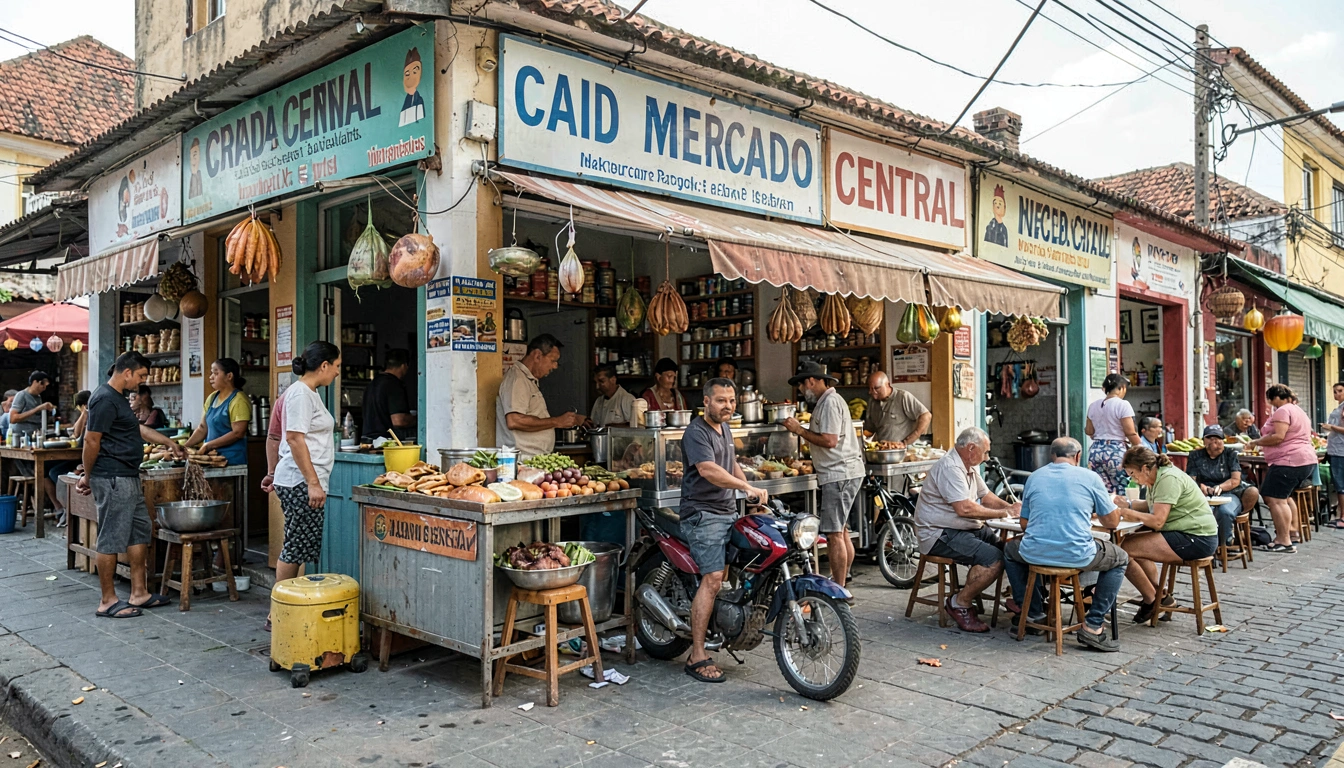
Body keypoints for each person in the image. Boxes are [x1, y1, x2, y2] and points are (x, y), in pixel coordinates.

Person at [78, 352, 185, 618]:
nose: (141, 382)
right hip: (112, 477)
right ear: (127, 373)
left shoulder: (118, 399)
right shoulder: (103, 398)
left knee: (139, 531)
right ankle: (107, 600)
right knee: (111, 536)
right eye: (140, 376)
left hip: (128, 476)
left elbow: (136, 429)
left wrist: (168, 442)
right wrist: (88, 476)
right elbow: (91, 441)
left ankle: (139, 592)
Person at [678, 377, 769, 683]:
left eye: (731, 400)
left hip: (728, 510)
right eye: (721, 400)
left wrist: (750, 491)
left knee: (734, 573)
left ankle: (725, 627)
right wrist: (743, 485)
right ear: (706, 402)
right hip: (702, 514)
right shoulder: (696, 431)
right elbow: (707, 469)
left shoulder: (726, 428)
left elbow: (730, 466)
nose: (727, 406)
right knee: (714, 579)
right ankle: (697, 653)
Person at [1004, 438, 1128, 652]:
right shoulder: (1090, 478)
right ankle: (1093, 625)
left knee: (1009, 550)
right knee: (1120, 558)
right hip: (1076, 555)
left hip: (1034, 553)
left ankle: (1033, 612)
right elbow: (1112, 522)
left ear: (1052, 456)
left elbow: (1024, 523)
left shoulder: (1034, 477)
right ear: (1078, 456)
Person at [912, 427, 1020, 633]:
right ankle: (959, 603)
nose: (988, 457)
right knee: (994, 559)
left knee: (1010, 551)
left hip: (963, 528)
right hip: (939, 533)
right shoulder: (950, 468)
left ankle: (1018, 599)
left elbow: (986, 496)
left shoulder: (969, 466)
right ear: (971, 448)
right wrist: (1002, 514)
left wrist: (1009, 508)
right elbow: (964, 508)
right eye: (986, 452)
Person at [271, 342, 341, 630]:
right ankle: (278, 613)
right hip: (300, 481)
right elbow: (295, 438)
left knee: (299, 547)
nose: (337, 372)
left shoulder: (309, 393)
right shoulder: (300, 394)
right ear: (323, 365)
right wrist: (313, 482)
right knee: (294, 547)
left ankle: (288, 607)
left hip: (303, 480)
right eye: (336, 366)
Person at [1114, 446, 1219, 623]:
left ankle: (1152, 599)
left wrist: (1131, 514)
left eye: (1133, 474)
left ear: (1145, 468)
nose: (1133, 478)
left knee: (1123, 550)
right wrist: (1129, 505)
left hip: (1196, 537)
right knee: (1131, 543)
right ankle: (1159, 595)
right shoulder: (1155, 478)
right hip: (1183, 531)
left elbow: (1157, 521)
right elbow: (1151, 506)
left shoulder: (1168, 478)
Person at [783, 361, 864, 588]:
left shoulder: (829, 402)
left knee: (833, 534)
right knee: (842, 531)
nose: (800, 390)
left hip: (839, 474)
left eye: (801, 385)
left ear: (811, 381)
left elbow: (829, 440)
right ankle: (844, 582)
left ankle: (838, 591)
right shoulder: (827, 402)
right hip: (843, 472)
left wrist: (800, 430)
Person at [1245, 384, 1317, 553]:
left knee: (1273, 498)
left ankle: (1283, 541)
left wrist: (1256, 442)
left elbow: (1278, 436)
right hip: (1303, 459)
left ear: (1275, 397)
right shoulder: (1298, 410)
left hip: (1289, 460)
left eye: (1270, 400)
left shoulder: (1283, 411)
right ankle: (1291, 534)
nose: (1270, 403)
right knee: (1283, 497)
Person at [496, 334, 586, 460]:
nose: (555, 366)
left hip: (533, 459)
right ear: (537, 355)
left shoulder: (528, 380)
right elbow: (514, 420)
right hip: (523, 460)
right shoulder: (517, 380)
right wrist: (556, 422)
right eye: (553, 360)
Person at [1185, 424, 1260, 547]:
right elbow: (1191, 479)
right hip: (1205, 494)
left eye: (1218, 438)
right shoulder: (1195, 455)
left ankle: (1224, 544)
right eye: (1210, 438)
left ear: (1223, 440)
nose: (1215, 442)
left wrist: (1220, 487)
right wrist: (1202, 487)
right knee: (1206, 512)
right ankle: (1207, 545)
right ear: (1204, 440)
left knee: (1225, 512)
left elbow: (1235, 480)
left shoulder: (1230, 454)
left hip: (1229, 492)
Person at [183, 359, 250, 465]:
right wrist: (185, 447)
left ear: (229, 376)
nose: (211, 377)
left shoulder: (239, 400)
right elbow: (202, 428)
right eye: (211, 373)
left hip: (231, 459)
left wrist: (208, 445)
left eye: (216, 373)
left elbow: (238, 432)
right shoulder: (212, 397)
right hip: (211, 458)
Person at [1085, 374, 1140, 493]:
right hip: (1115, 452)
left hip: (1096, 452)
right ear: (1122, 388)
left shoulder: (1093, 406)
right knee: (1122, 489)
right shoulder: (1123, 404)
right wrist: (1141, 448)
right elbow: (1130, 432)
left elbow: (1089, 431)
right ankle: (1121, 511)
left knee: (1102, 492)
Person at [45, 390, 91, 526]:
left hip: (84, 458)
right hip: (78, 455)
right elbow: (75, 433)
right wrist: (84, 413)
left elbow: (76, 433)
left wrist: (85, 412)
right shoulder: (87, 414)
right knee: (46, 468)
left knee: (54, 473)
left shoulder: (95, 414)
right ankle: (60, 508)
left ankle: (68, 508)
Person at [864, 370, 931, 447]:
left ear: (887, 384)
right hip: (882, 449)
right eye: (870, 389)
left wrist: (910, 439)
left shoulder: (903, 397)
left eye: (877, 388)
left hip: (904, 450)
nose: (872, 392)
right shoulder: (872, 402)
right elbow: (870, 429)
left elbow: (926, 415)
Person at [362, 349, 414, 440]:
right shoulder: (394, 384)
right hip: (386, 442)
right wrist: (419, 419)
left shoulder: (373, 383)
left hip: (368, 440)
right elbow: (398, 420)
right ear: (404, 366)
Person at [1321, 382, 1344, 529]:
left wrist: (1331, 427)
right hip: (1335, 448)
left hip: (1340, 450)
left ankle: (1343, 517)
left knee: (1340, 484)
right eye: (1335, 391)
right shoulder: (1339, 407)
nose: (1337, 394)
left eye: (1340, 391)